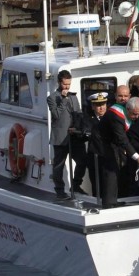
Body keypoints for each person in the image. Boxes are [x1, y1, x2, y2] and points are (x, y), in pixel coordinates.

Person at [100, 95, 139, 207]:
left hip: (114, 143)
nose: (136, 117)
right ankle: (108, 203)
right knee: (111, 170)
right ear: (127, 109)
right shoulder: (116, 116)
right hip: (104, 143)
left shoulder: (133, 112)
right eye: (134, 114)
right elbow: (123, 140)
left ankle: (114, 200)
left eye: (138, 114)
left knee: (117, 169)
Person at [46, 69, 83, 200]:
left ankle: (76, 184)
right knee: (59, 165)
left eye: (69, 84)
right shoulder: (52, 98)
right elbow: (55, 115)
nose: (67, 87)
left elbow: (78, 113)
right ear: (59, 82)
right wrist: (63, 100)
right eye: (65, 84)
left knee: (82, 161)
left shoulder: (74, 96)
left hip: (74, 136)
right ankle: (60, 191)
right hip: (60, 138)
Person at [72, 92, 106, 196]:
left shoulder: (111, 117)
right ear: (92, 106)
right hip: (94, 156)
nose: (101, 108)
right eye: (98, 105)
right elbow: (84, 134)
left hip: (108, 156)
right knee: (96, 182)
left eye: (103, 104)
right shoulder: (87, 119)